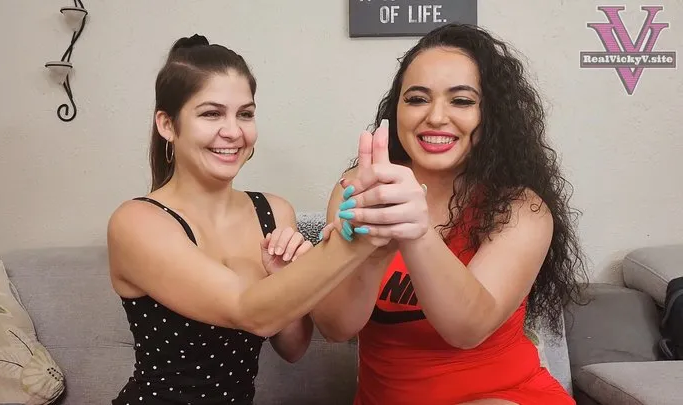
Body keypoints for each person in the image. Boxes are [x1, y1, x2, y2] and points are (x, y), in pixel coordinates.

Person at [312, 24, 588, 404]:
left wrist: (416, 232)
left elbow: (466, 329)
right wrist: (369, 253)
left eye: (461, 101)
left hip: (503, 397)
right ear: (397, 109)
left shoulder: (522, 208)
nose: (436, 117)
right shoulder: (358, 188)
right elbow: (336, 327)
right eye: (417, 99)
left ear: (491, 114)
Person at [106, 34, 378, 404]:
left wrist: (285, 275)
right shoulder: (136, 222)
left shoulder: (275, 211)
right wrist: (355, 242)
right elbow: (250, 312)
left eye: (245, 114)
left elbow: (294, 347)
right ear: (167, 124)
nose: (234, 131)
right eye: (211, 113)